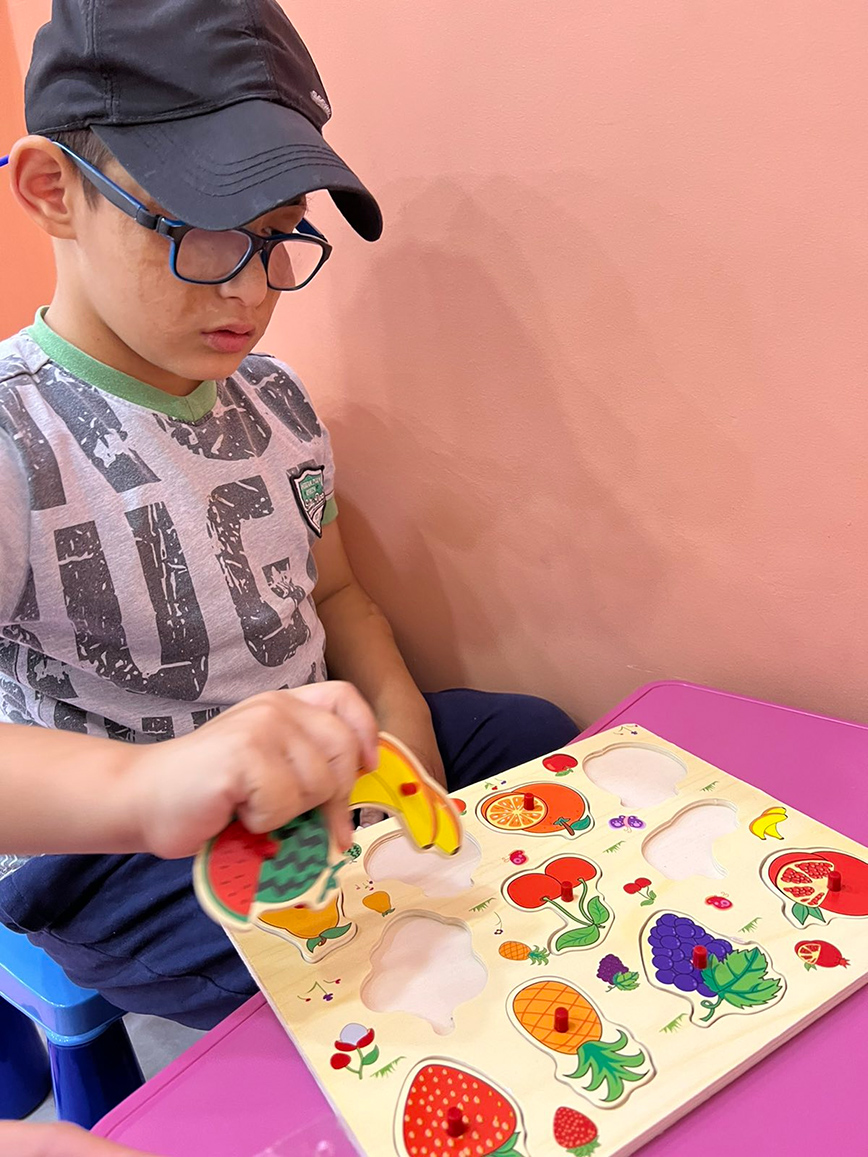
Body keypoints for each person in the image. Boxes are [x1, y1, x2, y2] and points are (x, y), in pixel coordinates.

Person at [0, 0, 578, 1032]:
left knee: (535, 743)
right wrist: (146, 785)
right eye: (205, 232)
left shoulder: (275, 398)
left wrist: (405, 749)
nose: (256, 289)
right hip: (112, 848)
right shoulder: (15, 431)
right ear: (54, 190)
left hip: (310, 767)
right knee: (349, 965)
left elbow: (338, 595)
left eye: (280, 237)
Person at [1, 680, 377, 1157]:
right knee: (324, 977)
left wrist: (392, 712)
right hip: (76, 844)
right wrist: (138, 785)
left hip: (297, 757)